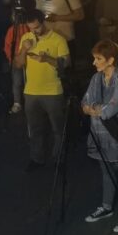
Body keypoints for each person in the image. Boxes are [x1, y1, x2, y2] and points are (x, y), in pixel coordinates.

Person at [82, 39, 118, 234]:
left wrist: (95, 109)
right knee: (106, 170)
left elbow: (110, 110)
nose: (94, 62)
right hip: (100, 134)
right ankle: (107, 206)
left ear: (111, 59)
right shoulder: (96, 78)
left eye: (98, 59)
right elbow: (84, 103)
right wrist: (96, 109)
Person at [15, 9, 70, 172]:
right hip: (31, 91)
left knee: (57, 128)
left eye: (37, 27)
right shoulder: (26, 38)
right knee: (35, 128)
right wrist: (24, 50)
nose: (34, 31)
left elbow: (66, 63)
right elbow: (18, 64)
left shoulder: (58, 39)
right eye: (31, 28)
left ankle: (58, 158)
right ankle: (37, 158)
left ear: (43, 22)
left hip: (53, 91)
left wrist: (46, 59)